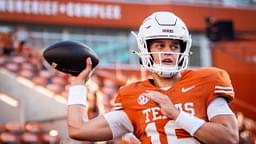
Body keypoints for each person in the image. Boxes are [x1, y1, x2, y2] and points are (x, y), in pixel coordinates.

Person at [67, 11, 239, 144]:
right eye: (160, 45)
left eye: (174, 46)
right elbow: (79, 130)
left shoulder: (206, 81)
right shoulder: (132, 96)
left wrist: (177, 115)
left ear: (182, 50)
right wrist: (78, 84)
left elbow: (229, 138)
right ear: (146, 49)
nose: (168, 52)